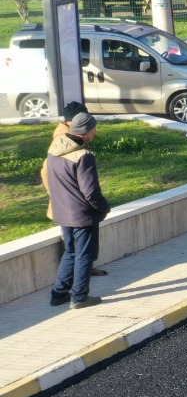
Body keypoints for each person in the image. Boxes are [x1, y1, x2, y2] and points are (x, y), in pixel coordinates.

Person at [44, 110, 111, 308]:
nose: (95, 132)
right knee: (85, 255)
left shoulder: (54, 150)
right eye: (94, 129)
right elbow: (90, 192)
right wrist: (104, 208)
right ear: (86, 131)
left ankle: (59, 294)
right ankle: (79, 297)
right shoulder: (84, 156)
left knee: (70, 252)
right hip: (82, 215)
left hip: (62, 212)